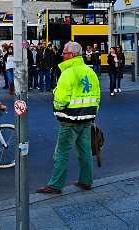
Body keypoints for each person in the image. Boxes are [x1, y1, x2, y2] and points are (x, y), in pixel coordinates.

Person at [36, 41, 101, 194]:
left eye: (64, 53)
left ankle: (56, 185)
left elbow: (60, 100)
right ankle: (86, 181)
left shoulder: (68, 73)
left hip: (69, 120)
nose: (62, 55)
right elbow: (97, 96)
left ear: (71, 55)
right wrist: (92, 113)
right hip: (87, 119)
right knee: (84, 151)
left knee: (61, 153)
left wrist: (57, 107)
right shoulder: (89, 71)